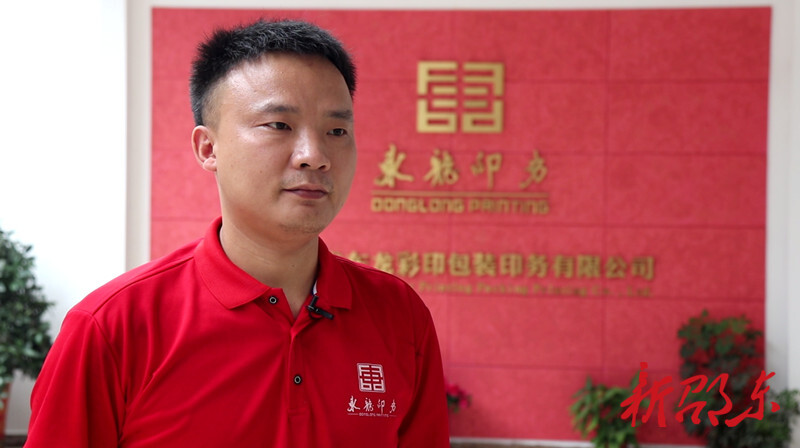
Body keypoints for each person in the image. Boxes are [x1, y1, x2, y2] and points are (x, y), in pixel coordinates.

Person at [25, 19, 449, 447]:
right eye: (279, 125)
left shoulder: (400, 316)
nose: (314, 156)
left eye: (336, 131)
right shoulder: (112, 327)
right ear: (208, 148)